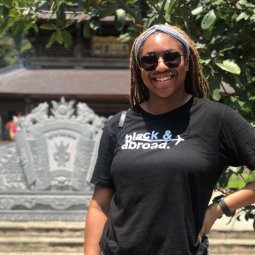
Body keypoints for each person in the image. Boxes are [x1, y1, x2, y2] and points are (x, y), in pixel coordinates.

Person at [84, 24, 255, 255]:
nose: (161, 66)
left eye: (171, 57)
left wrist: (218, 208)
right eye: (149, 60)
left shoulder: (216, 119)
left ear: (187, 62)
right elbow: (99, 205)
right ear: (139, 68)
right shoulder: (119, 124)